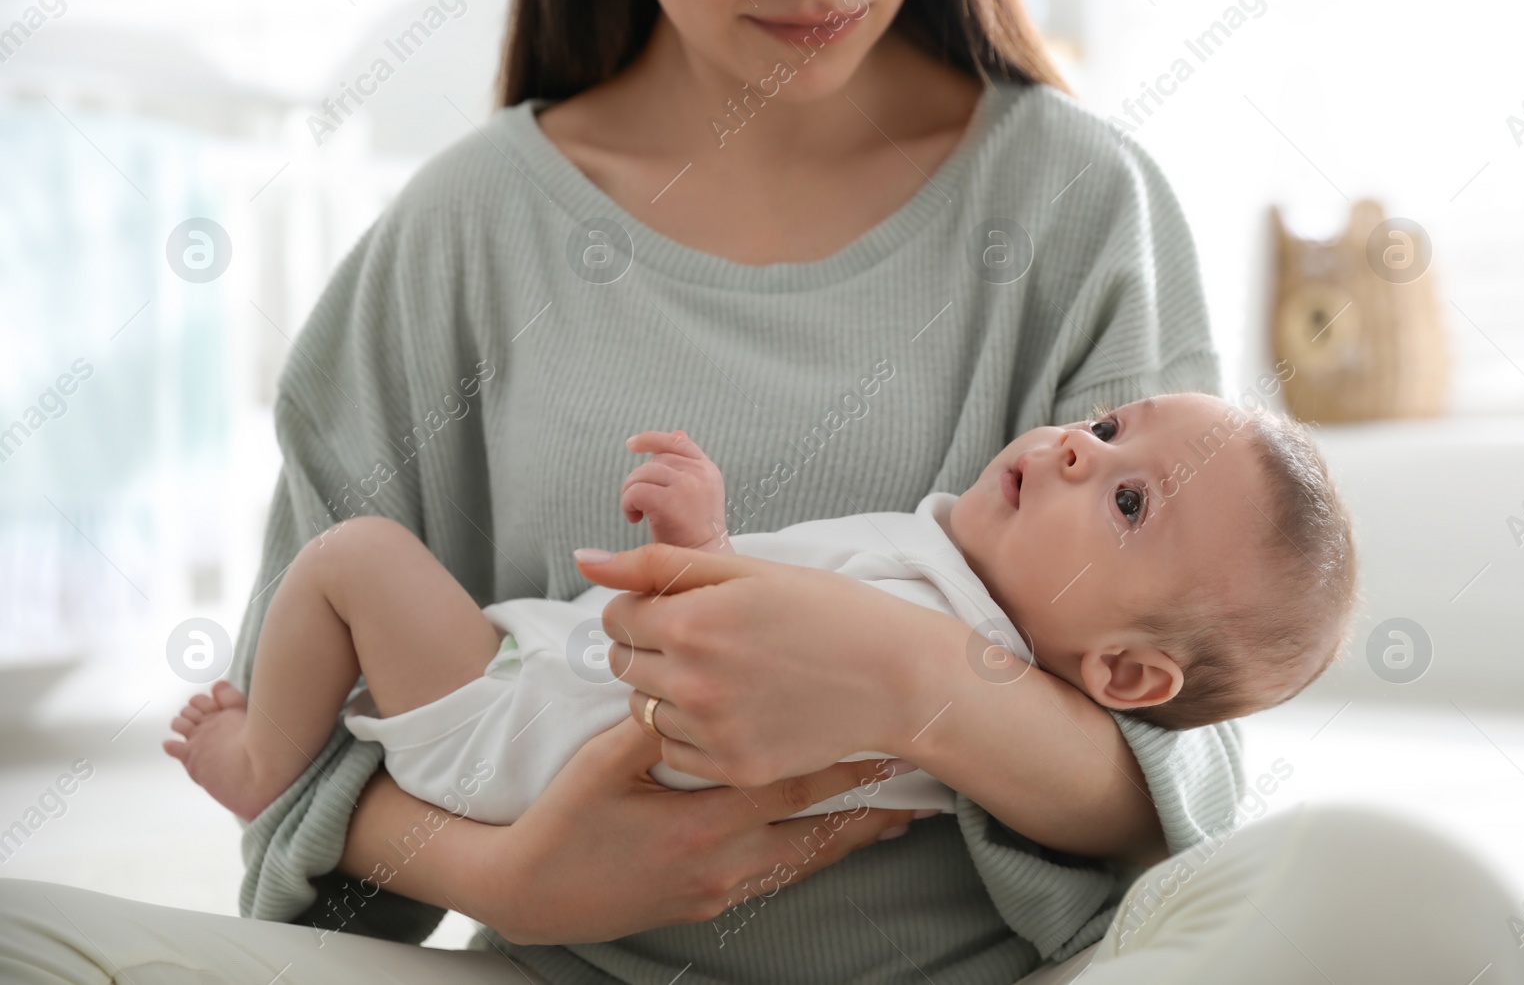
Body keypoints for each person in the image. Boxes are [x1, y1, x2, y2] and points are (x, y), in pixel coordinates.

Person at [0, 0, 1524, 982]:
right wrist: (523, 879)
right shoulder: (458, 239)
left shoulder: (1081, 208)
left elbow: (1175, 760)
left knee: (1421, 904)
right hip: (548, 967)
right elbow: (295, 775)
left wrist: (913, 680)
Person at [163, 393, 1357, 828]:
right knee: (360, 566)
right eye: (1106, 426)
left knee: (357, 556)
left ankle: (270, 757)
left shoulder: (978, 658)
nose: (1076, 453)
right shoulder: (950, 571)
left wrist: (698, 550)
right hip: (532, 684)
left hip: (523, 737)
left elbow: (750, 675)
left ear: (1129, 673)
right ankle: (302, 734)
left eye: (1131, 499)